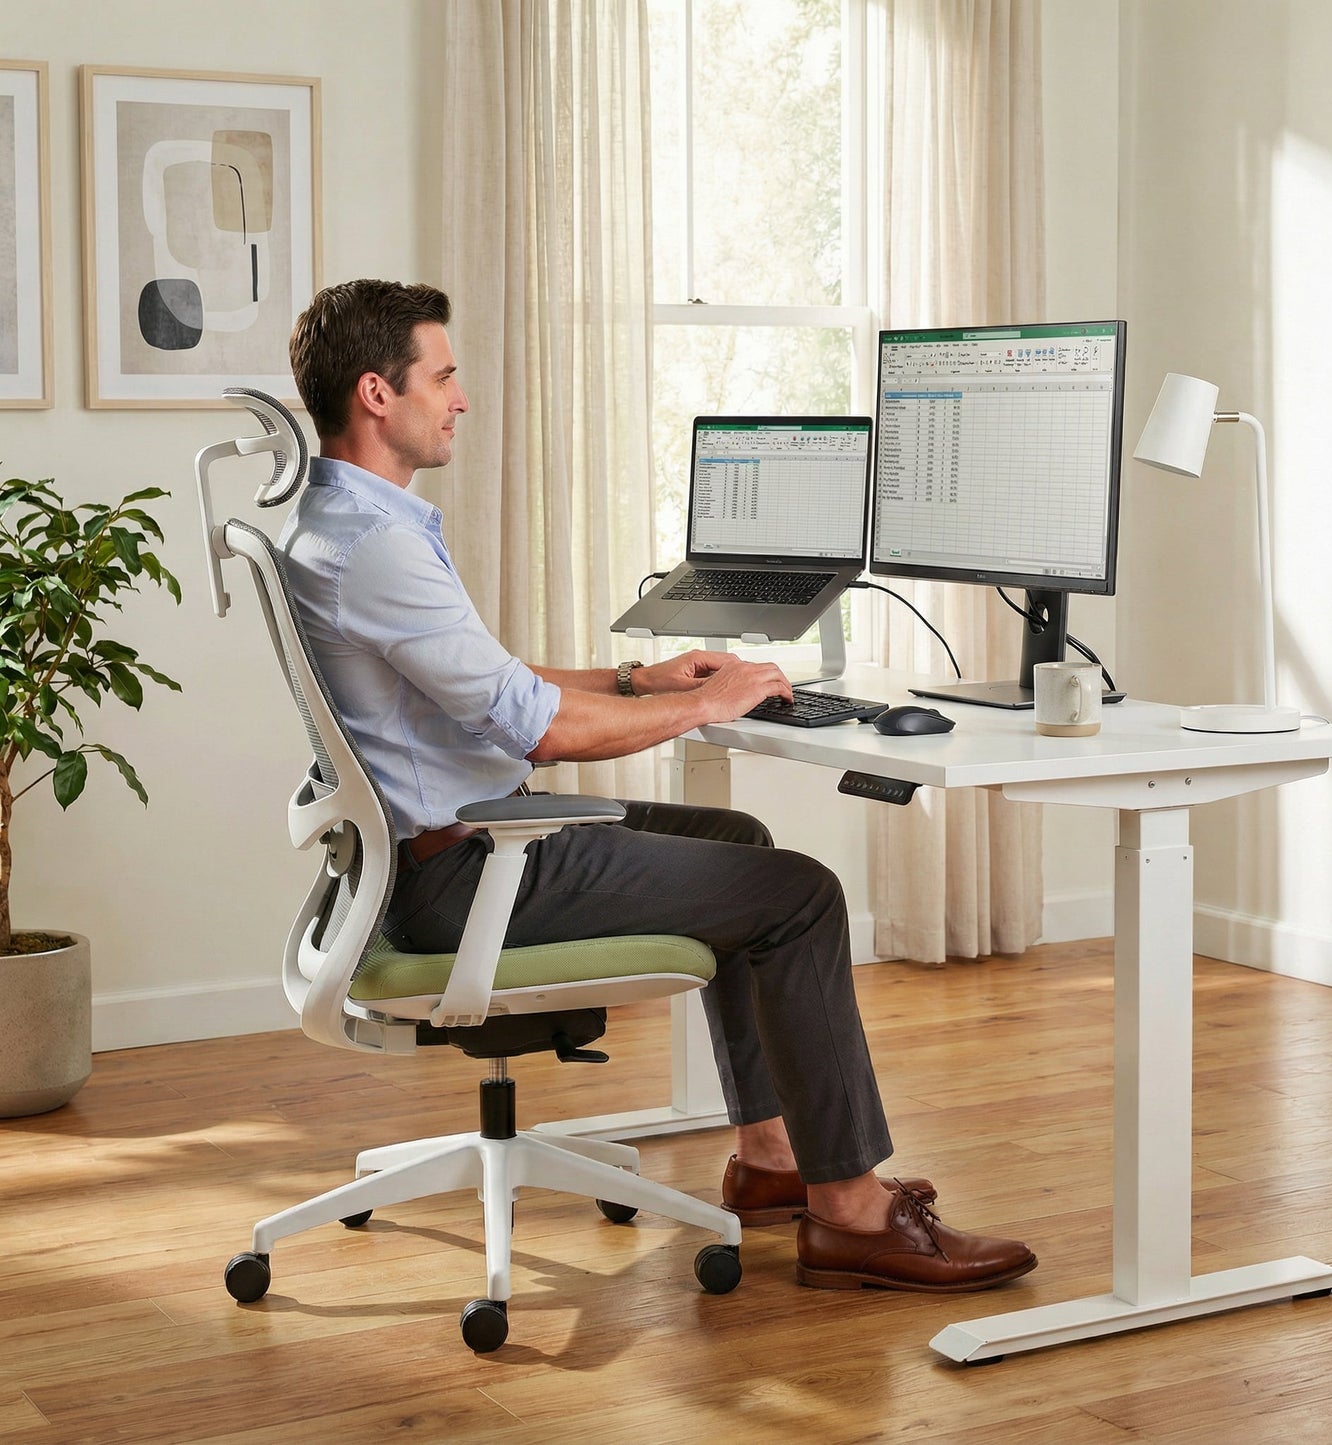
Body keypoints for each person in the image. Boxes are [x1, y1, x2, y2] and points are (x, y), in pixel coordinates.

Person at [278, 277, 1037, 1295]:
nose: (462, 396)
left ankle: (771, 1161)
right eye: (444, 373)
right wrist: (710, 702)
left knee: (737, 842)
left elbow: (494, 686)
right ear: (378, 392)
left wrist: (643, 679)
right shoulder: (376, 546)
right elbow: (535, 725)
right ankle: (853, 1214)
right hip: (468, 871)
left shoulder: (340, 520)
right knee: (801, 894)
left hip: (441, 847)